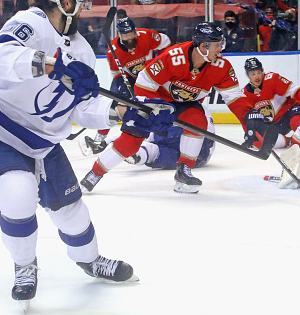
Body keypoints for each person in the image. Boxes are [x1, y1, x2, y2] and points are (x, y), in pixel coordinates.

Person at [0, 0, 176, 308]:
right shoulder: (31, 21)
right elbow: (1, 56)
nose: (83, 5)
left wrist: (123, 113)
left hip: (41, 143)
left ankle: (90, 260)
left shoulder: (83, 51)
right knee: (18, 192)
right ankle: (24, 265)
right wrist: (51, 65)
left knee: (71, 210)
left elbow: (80, 109)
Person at [80, 22, 266, 194]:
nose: (221, 49)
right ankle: (95, 173)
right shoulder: (173, 57)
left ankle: (183, 172)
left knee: (197, 122)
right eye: (217, 45)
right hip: (156, 99)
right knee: (130, 141)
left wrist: (249, 119)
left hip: (185, 104)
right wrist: (153, 106)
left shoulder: (221, 66)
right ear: (203, 47)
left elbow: (234, 97)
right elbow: (144, 81)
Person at [80, 15, 171, 155]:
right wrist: (123, 87)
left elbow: (166, 42)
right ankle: (100, 138)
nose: (129, 38)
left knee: (151, 107)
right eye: (125, 35)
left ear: (135, 31)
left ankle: (154, 135)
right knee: (114, 103)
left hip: (149, 77)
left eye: (131, 34)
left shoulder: (147, 36)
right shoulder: (113, 51)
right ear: (120, 35)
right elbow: (117, 74)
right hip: (128, 78)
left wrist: (161, 63)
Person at [241, 57, 300, 149]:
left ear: (262, 71)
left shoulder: (272, 79)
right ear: (247, 75)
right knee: (258, 141)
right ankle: (290, 141)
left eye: (259, 72)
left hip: (290, 113)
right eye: (253, 74)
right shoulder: (245, 94)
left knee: (297, 122)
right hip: (273, 125)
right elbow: (246, 117)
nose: (257, 76)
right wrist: (249, 132)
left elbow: (293, 89)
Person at [126, 110, 215, 170]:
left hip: (199, 152)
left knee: (156, 149)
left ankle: (138, 151)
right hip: (185, 153)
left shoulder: (195, 109)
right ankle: (139, 152)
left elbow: (205, 139)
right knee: (157, 152)